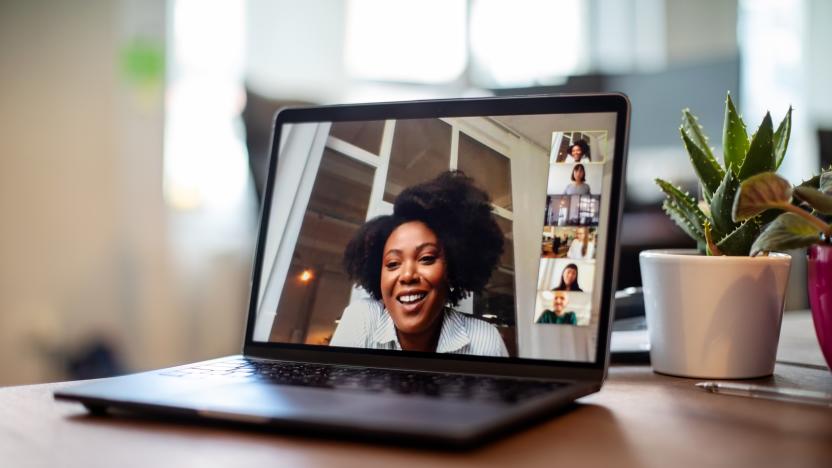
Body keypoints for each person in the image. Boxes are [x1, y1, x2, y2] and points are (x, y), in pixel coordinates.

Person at [332, 171, 509, 357]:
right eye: (393, 264)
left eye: (426, 258)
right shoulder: (361, 320)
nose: (408, 275)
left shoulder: (485, 342)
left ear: (452, 271)